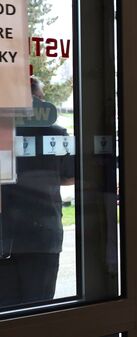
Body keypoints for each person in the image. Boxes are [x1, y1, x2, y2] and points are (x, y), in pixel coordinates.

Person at [0, 77, 74, 308]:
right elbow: (71, 175)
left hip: (6, 234)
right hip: (43, 233)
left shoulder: (3, 133)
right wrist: (46, 177)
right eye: (41, 98)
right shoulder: (57, 133)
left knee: (7, 312)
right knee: (39, 310)